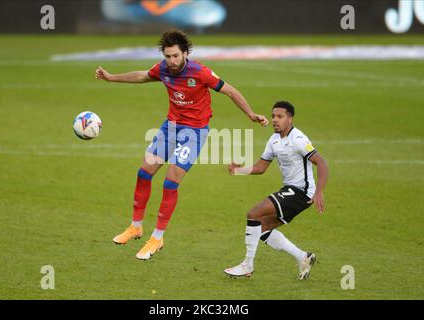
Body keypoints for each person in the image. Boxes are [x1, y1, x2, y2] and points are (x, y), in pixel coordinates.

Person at [95, 29, 268, 260]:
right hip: (171, 128)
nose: (171, 61)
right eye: (167, 56)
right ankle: (136, 226)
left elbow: (230, 91)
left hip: (194, 132)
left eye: (175, 56)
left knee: (170, 181)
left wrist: (250, 114)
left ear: (185, 53)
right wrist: (111, 77)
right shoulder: (163, 69)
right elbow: (142, 76)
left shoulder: (200, 72)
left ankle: (157, 237)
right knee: (144, 173)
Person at [224, 101, 328, 280]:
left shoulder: (298, 140)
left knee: (254, 214)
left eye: (280, 116)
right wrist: (238, 170)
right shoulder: (274, 140)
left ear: (290, 119)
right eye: (273, 116)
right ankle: (303, 257)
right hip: (291, 190)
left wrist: (319, 191)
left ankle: (247, 265)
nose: (274, 120)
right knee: (261, 229)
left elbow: (322, 162)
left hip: (302, 193)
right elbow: (260, 167)